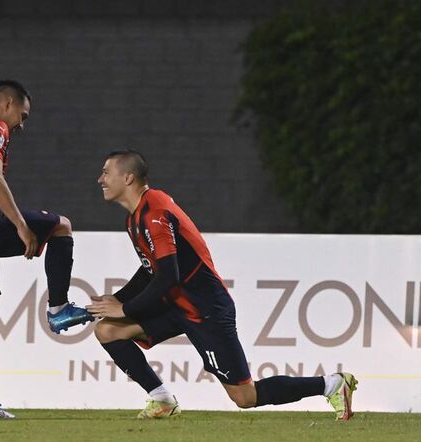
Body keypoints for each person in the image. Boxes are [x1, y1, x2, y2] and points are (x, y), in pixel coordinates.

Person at [86, 149, 357, 420]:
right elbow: (150, 271)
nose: (101, 179)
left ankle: (332, 384)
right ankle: (162, 400)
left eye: (107, 172)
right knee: (108, 331)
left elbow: (168, 276)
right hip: (179, 306)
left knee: (245, 397)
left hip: (205, 310)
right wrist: (115, 302)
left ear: (129, 177)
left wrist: (126, 309)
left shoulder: (153, 212)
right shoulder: (136, 217)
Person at [0, 80, 93, 419]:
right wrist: (22, 227)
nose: (21, 125)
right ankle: (58, 309)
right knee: (62, 226)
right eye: (22, 116)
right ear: (7, 103)